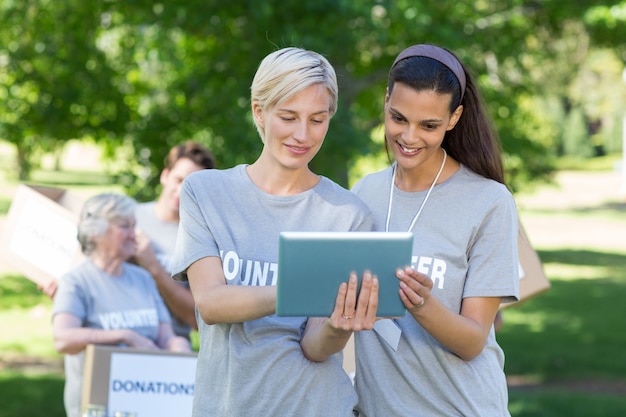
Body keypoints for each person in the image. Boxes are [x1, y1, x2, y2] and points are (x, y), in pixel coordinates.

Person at [171, 47, 379, 416]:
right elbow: (212, 303)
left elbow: (315, 347)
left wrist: (339, 325)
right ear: (259, 112)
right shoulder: (205, 192)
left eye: (317, 119)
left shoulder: (348, 214)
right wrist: (306, 288)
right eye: (288, 117)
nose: (303, 135)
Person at [351, 44, 519, 416]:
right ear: (386, 101)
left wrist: (423, 304)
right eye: (398, 118)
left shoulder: (489, 202)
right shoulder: (363, 194)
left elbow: (473, 340)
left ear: (454, 117)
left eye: (429, 126)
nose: (409, 137)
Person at [51, 193, 191, 417]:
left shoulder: (143, 279)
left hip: (145, 406)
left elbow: (165, 336)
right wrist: (125, 335)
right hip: (96, 409)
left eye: (134, 226)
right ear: (96, 233)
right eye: (125, 226)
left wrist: (178, 346)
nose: (134, 235)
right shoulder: (76, 282)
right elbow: (63, 339)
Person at [134, 141, 216, 339]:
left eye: (192, 186)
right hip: (120, 342)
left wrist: (154, 268)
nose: (181, 191)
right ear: (165, 175)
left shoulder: (202, 237)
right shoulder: (130, 219)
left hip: (172, 348)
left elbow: (199, 318)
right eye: (178, 180)